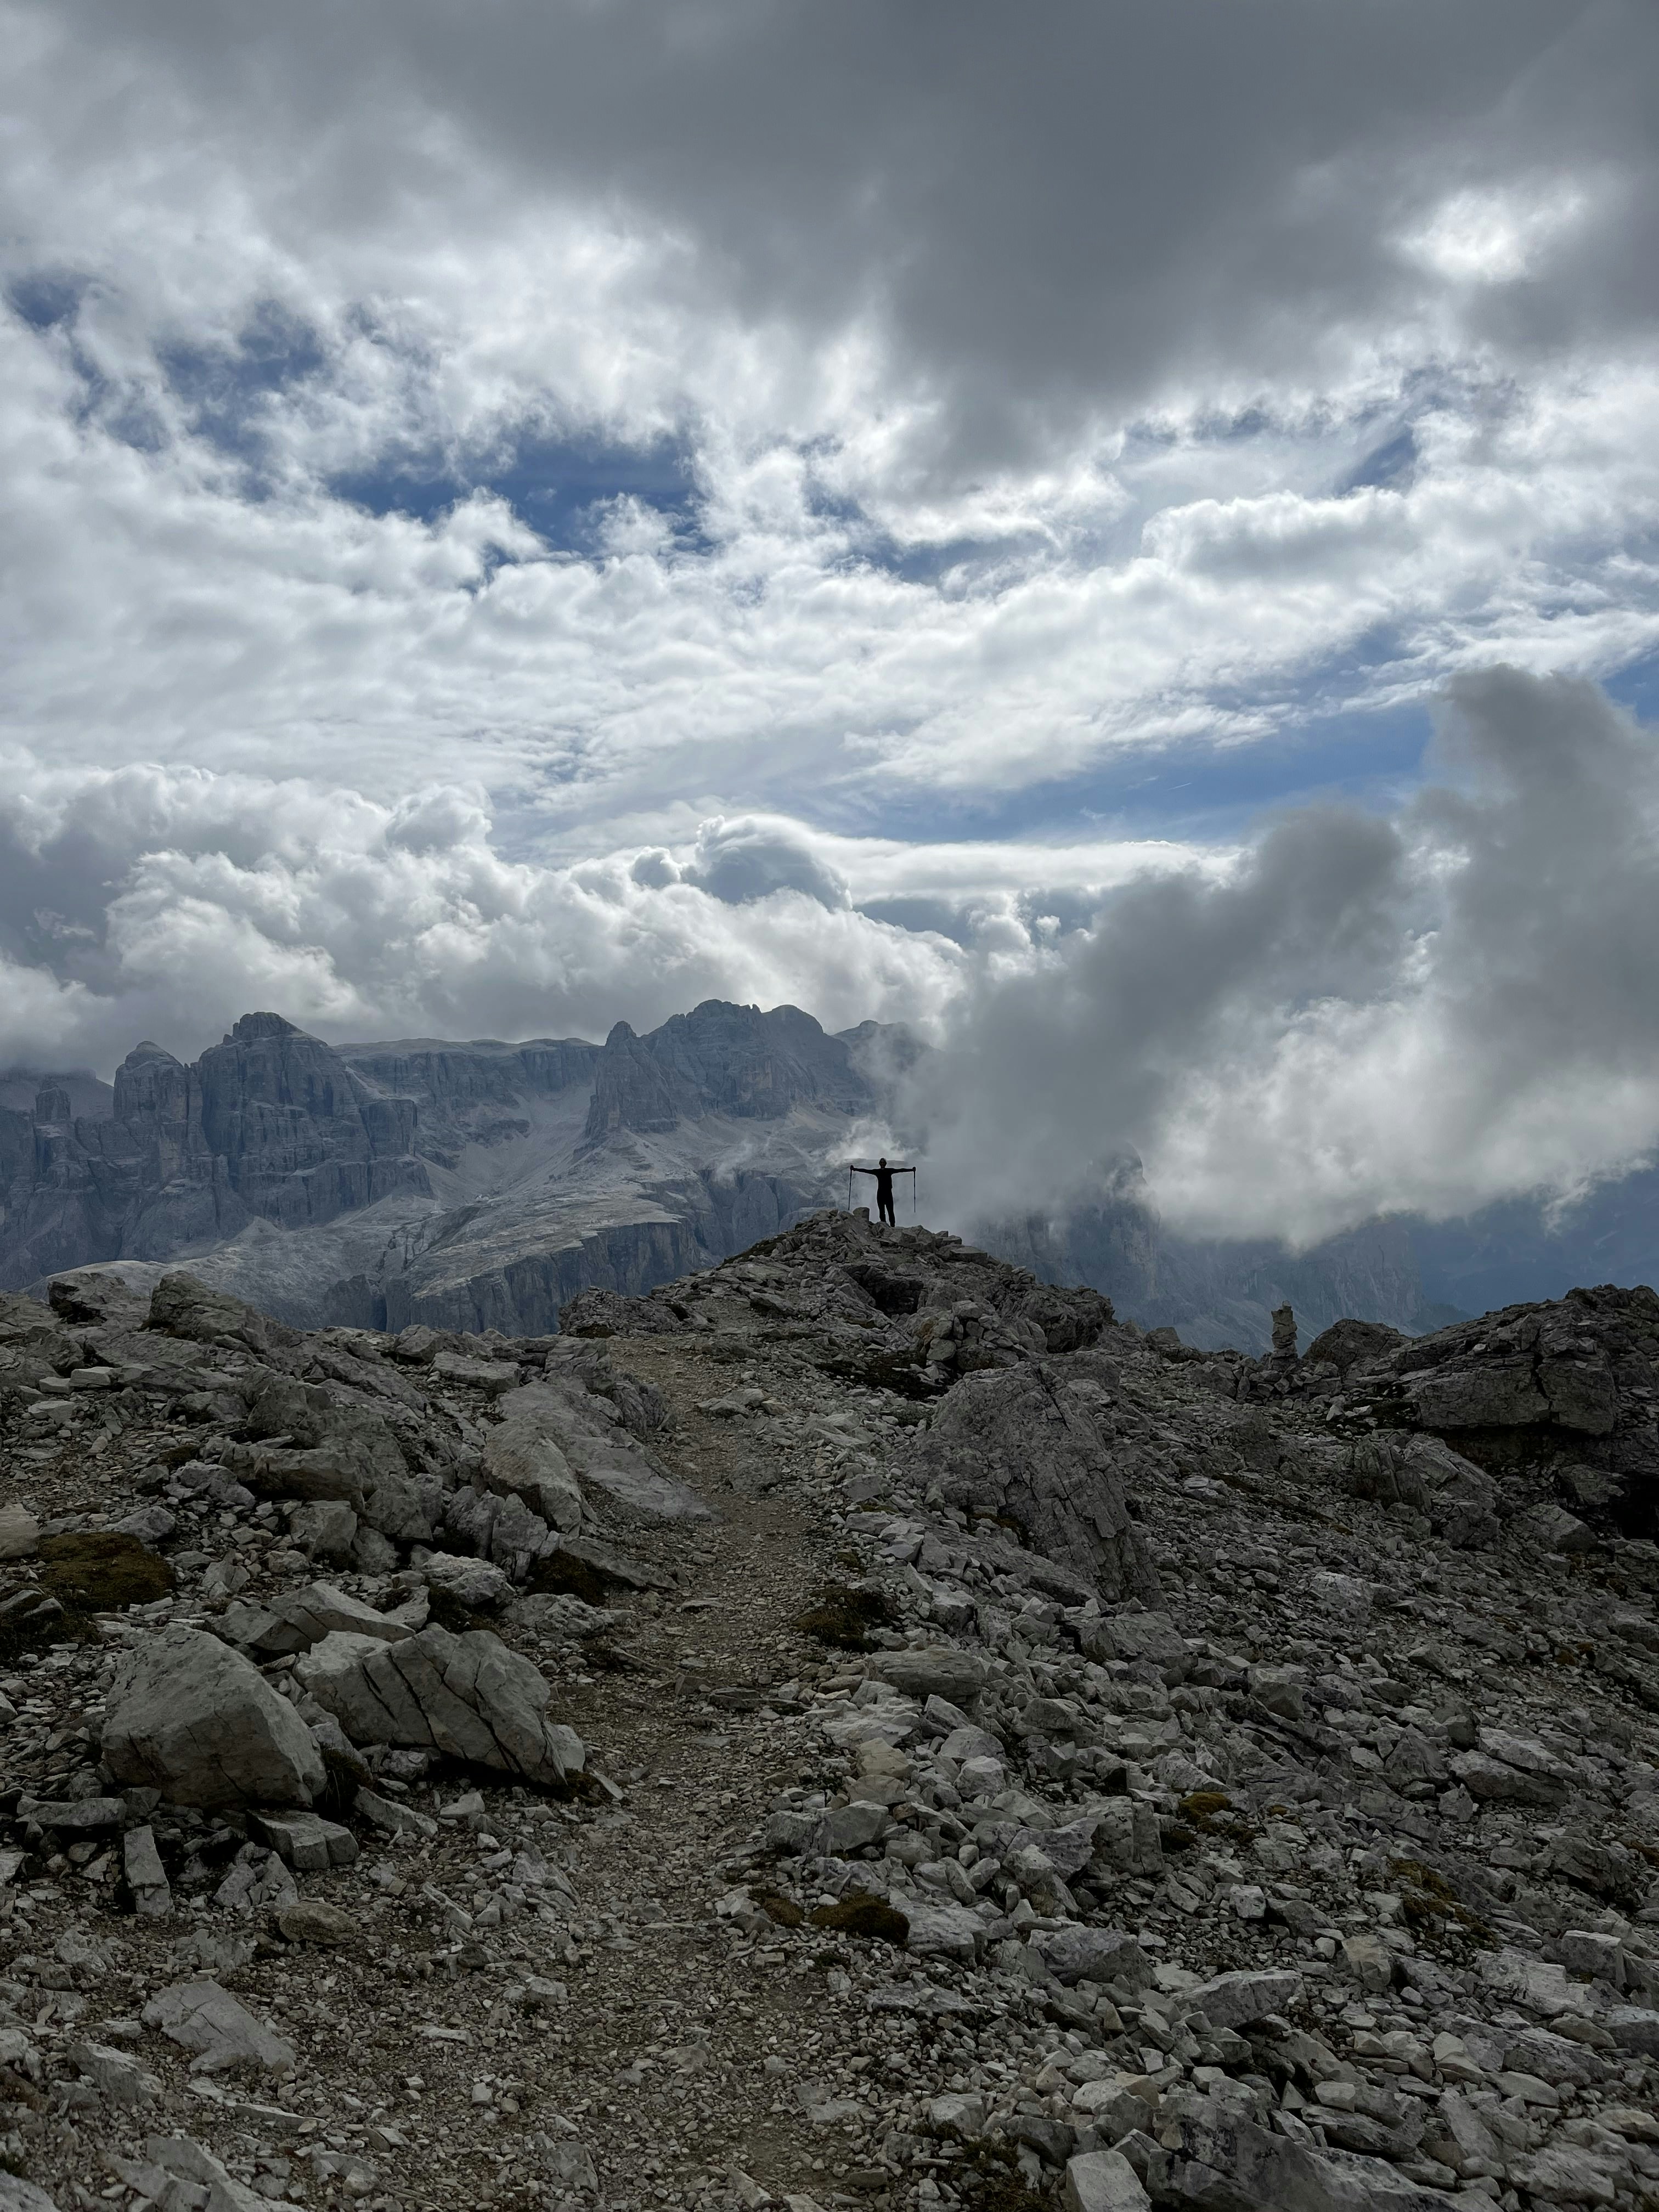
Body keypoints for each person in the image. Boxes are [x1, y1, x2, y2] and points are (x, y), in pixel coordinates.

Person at [850, 1155, 904, 1226]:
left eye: (883, 1162)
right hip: (882, 1194)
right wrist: (855, 1169)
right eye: (881, 1162)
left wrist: (911, 1170)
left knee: (890, 1212)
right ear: (880, 1163)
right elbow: (866, 1171)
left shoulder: (888, 1171)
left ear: (885, 1164)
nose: (882, 1164)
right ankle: (885, 1226)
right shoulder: (880, 1171)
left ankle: (892, 1226)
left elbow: (900, 1170)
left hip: (886, 1194)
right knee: (882, 1212)